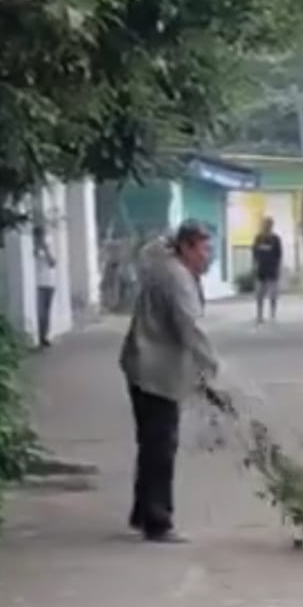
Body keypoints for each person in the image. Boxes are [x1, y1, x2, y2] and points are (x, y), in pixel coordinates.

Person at [119, 220, 222, 543]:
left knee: (151, 443)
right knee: (160, 446)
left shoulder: (164, 264)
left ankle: (143, 512)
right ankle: (157, 521)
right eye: (204, 249)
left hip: (144, 364)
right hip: (155, 370)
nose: (208, 256)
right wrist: (214, 368)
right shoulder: (177, 277)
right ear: (187, 247)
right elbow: (190, 328)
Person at [251, 216, 283, 324]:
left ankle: (272, 314)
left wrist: (277, 267)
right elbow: (254, 252)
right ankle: (259, 315)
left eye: (268, 225)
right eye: (265, 224)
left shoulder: (276, 239)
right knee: (259, 294)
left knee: (273, 294)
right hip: (261, 270)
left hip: (272, 270)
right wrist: (255, 265)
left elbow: (279, 254)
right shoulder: (258, 238)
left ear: (271, 226)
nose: (266, 227)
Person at [32, 224, 56, 348]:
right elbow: (34, 254)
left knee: (46, 312)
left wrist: (46, 249)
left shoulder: (49, 247)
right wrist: (38, 246)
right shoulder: (34, 248)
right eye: (39, 235)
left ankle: (45, 336)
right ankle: (41, 336)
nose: (41, 238)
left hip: (50, 282)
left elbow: (52, 263)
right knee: (41, 312)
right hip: (39, 283)